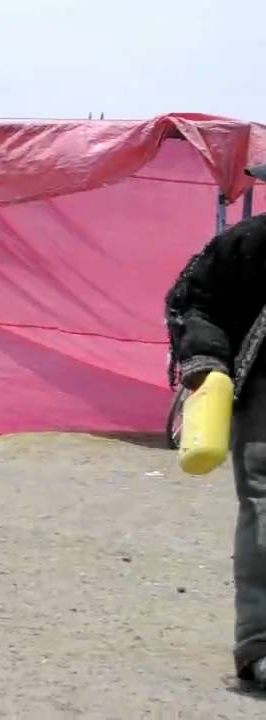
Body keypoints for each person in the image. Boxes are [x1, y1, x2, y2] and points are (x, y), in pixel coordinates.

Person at [165, 203, 266, 689]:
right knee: (265, 509)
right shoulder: (252, 242)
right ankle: (261, 643)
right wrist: (206, 363)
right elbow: (196, 301)